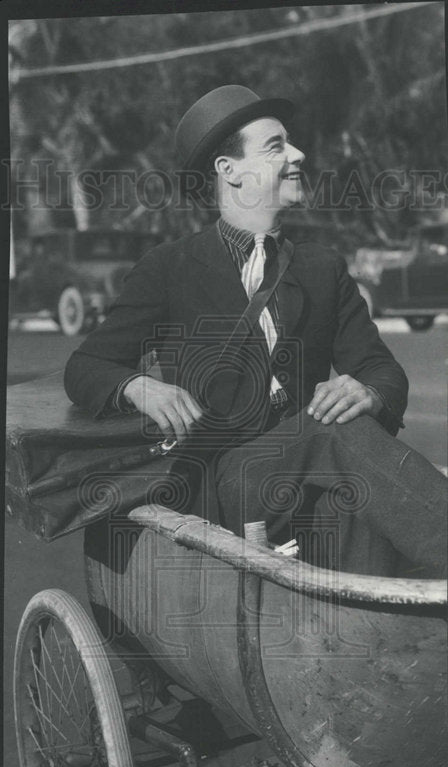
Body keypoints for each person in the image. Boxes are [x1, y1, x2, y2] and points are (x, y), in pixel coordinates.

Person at [64, 86, 446, 577]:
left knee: (351, 507)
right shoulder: (168, 267)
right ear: (230, 171)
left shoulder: (321, 267)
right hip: (224, 485)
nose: (299, 154)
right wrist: (137, 386)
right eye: (276, 146)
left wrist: (368, 391)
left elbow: (380, 368)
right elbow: (85, 366)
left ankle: (351, 644)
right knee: (337, 432)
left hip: (311, 474)